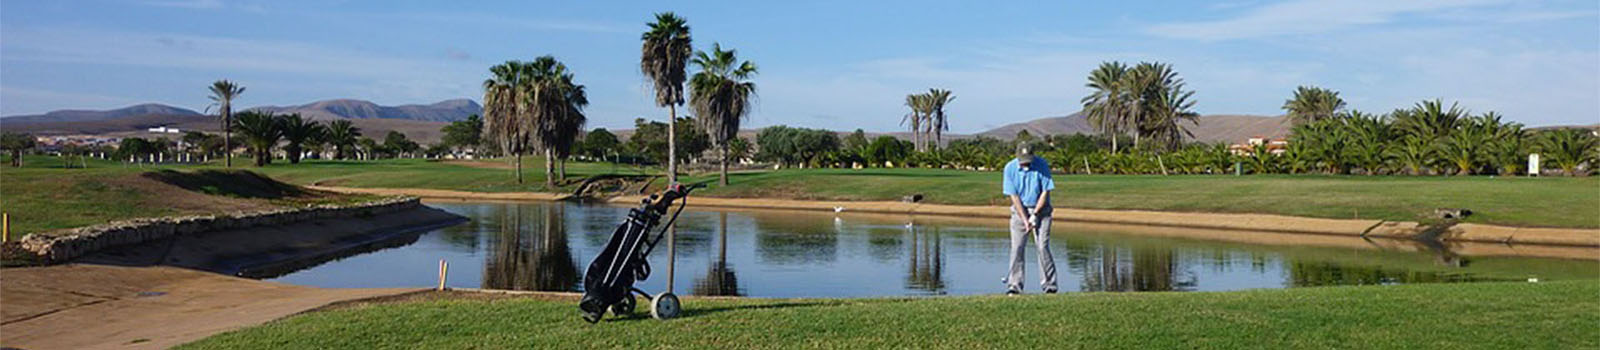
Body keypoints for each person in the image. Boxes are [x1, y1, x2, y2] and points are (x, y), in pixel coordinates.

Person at [1001, 143, 1056, 295]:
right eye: (1022, 160)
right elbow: (1014, 196)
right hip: (1020, 211)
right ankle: (1015, 285)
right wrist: (1026, 219)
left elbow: (1045, 192)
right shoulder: (1010, 168)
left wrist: (1035, 214)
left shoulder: (1042, 165)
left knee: (1042, 247)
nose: (1025, 163)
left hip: (1042, 210)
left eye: (1028, 160)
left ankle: (1049, 285)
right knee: (1017, 247)